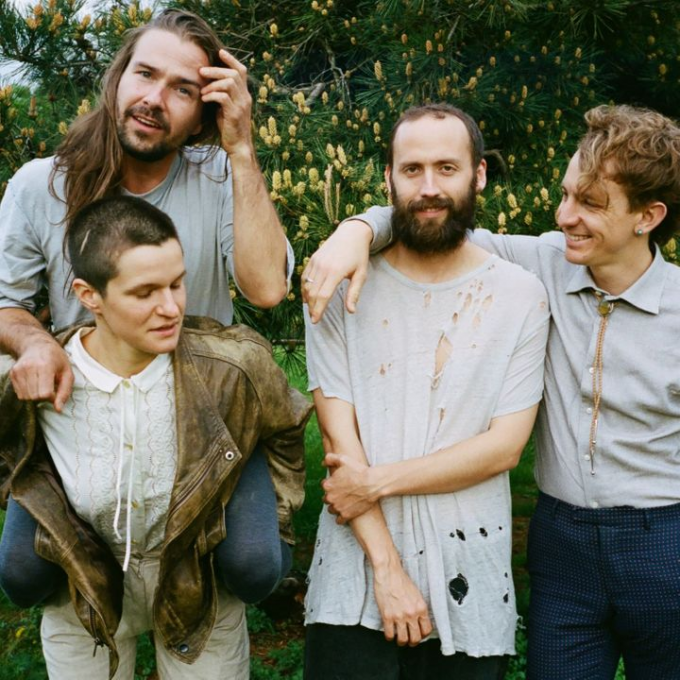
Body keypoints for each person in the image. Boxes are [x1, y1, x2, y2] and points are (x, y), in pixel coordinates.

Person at [302, 104, 680, 679]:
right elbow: (434, 213)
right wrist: (356, 229)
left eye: (590, 203)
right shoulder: (545, 261)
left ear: (647, 216)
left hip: (664, 539)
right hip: (562, 543)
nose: (565, 215)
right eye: (566, 194)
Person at [0, 8, 294, 611]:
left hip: (201, 407)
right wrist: (34, 342)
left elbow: (266, 289)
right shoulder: (40, 184)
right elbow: (5, 300)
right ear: (117, 79)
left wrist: (241, 147)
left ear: (204, 111)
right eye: (145, 74)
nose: (155, 98)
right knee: (22, 576)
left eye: (182, 89)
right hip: (86, 406)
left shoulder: (219, 176)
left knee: (255, 567)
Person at [0, 196, 312, 679]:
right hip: (82, 591)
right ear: (89, 295)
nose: (170, 307)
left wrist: (274, 521)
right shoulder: (36, 380)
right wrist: (37, 514)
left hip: (197, 585)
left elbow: (286, 428)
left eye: (177, 284)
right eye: (145, 292)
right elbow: (9, 451)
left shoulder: (232, 371)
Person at [303, 103, 550, 680]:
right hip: (353, 576)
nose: (429, 187)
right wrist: (387, 572)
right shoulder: (340, 290)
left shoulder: (521, 295)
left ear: (479, 174)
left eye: (447, 167)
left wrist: (375, 484)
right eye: (412, 170)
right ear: (387, 180)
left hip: (472, 577)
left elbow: (503, 449)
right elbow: (342, 447)